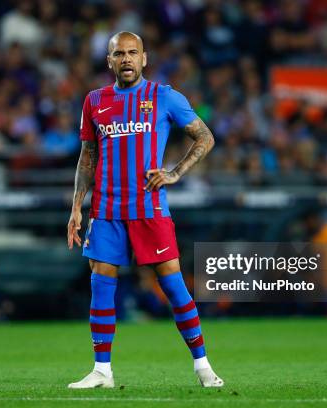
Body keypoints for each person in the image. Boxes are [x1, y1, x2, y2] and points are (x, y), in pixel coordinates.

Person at [66, 32, 223, 389]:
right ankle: (101, 370)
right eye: (118, 53)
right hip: (105, 210)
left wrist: (175, 173)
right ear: (109, 61)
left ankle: (203, 366)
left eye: (132, 53)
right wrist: (77, 207)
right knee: (101, 283)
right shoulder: (94, 101)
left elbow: (205, 136)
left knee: (173, 286)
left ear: (144, 58)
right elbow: (87, 157)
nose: (126, 59)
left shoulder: (164, 96)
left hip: (149, 208)